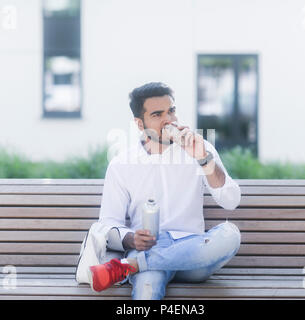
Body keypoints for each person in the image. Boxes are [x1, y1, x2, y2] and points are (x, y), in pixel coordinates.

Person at [87, 82, 242, 300]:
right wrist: (131, 239)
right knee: (147, 289)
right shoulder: (121, 164)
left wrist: (203, 159)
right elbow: (108, 223)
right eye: (158, 114)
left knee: (230, 235)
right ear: (140, 124)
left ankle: (130, 266)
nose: (169, 120)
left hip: (193, 254)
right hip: (147, 248)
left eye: (172, 111)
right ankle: (141, 262)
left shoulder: (199, 149)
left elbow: (231, 200)